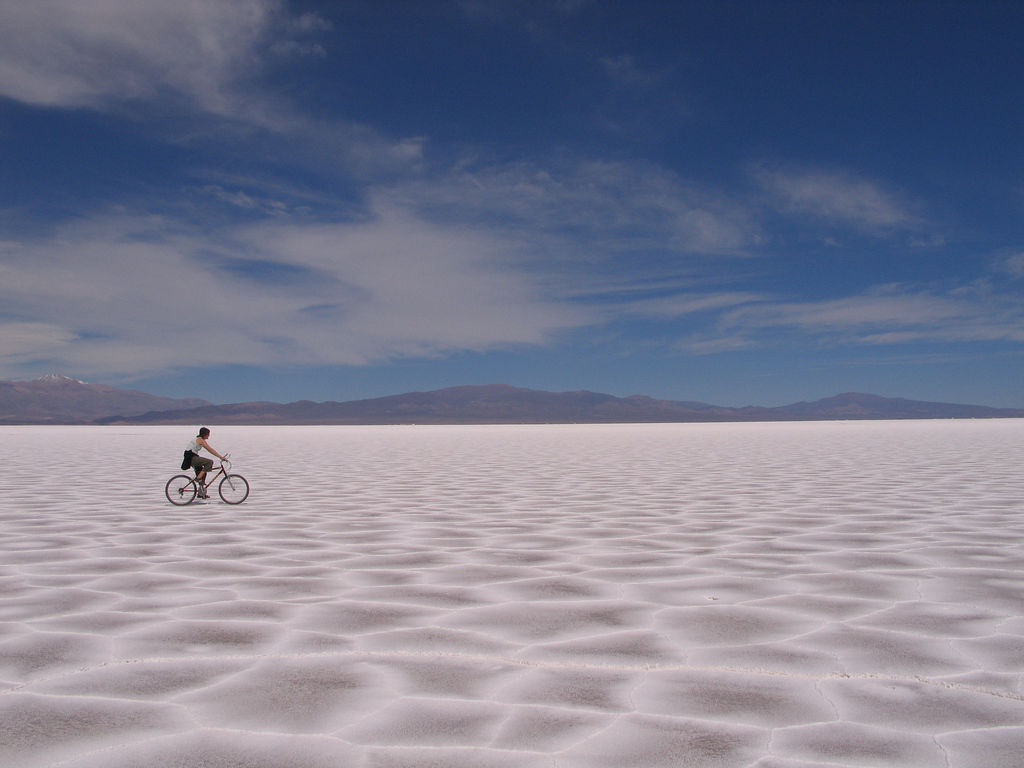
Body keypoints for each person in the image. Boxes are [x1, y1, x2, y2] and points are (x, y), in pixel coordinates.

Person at [185, 427, 226, 498]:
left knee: (203, 473)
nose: (209, 436)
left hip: (192, 457)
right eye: (208, 434)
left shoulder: (201, 440)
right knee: (209, 462)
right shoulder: (200, 440)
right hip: (190, 457)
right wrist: (220, 457)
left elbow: (210, 448)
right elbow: (210, 449)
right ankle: (198, 478)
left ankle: (201, 493)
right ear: (204, 434)